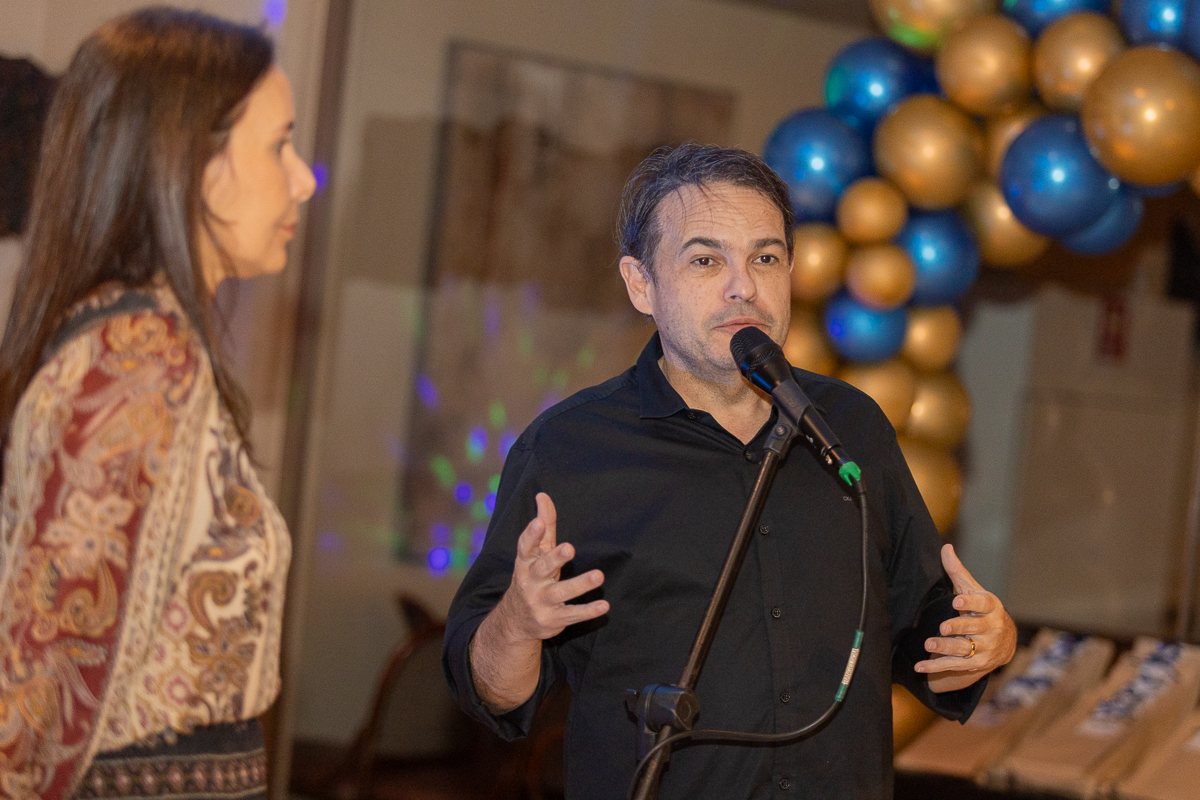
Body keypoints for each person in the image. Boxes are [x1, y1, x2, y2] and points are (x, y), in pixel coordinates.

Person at [443, 143, 1017, 799]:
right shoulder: (570, 449)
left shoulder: (851, 425)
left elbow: (925, 640)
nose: (743, 285)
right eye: (706, 260)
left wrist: (982, 641)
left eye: (765, 258)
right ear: (641, 283)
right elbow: (491, 691)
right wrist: (518, 623)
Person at [0, 8, 316, 799]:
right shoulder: (137, 360)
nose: (305, 179)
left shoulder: (145, 344)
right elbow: (38, 703)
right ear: (194, 162)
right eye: (278, 145)